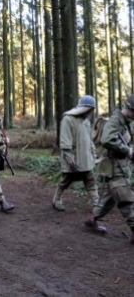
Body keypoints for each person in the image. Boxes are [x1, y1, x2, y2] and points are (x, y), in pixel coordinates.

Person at [85, 95, 134, 242]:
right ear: (131, 110)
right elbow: (107, 139)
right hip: (115, 168)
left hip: (119, 167)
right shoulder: (115, 120)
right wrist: (127, 151)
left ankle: (92, 219)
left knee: (111, 197)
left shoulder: (125, 122)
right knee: (126, 198)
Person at [52, 95, 99, 211]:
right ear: (86, 108)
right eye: (91, 109)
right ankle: (56, 199)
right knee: (65, 180)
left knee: (90, 180)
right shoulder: (68, 119)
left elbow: (89, 139)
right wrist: (68, 157)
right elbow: (65, 141)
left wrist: (93, 154)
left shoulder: (86, 121)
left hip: (85, 158)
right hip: (74, 158)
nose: (92, 112)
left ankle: (96, 203)